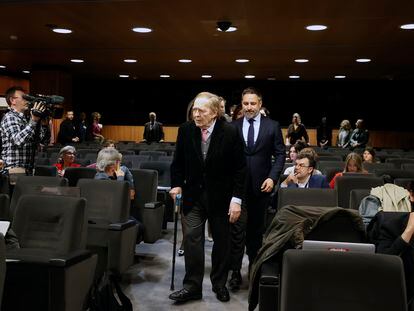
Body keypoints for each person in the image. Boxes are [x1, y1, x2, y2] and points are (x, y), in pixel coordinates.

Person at [168, 92, 246, 303]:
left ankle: (219, 284)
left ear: (214, 113)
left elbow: (240, 169)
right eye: (194, 109)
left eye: (201, 110)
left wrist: (236, 199)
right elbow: (178, 163)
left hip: (221, 198)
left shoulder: (230, 132)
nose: (196, 114)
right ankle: (192, 286)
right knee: (192, 239)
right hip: (193, 197)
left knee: (222, 243)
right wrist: (176, 184)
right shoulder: (185, 130)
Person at [231, 87, 285, 290]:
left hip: (262, 188)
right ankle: (234, 272)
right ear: (241, 105)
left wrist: (273, 178)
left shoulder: (272, 126)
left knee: (255, 233)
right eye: (245, 103)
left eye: (253, 103)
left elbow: (280, 155)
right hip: (237, 189)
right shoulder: (233, 127)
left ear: (260, 104)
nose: (249, 107)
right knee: (236, 233)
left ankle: (253, 270)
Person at [0, 86, 45, 173]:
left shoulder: (27, 118)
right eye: (24, 98)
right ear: (13, 100)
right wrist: (33, 121)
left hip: (29, 169)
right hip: (15, 169)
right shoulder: (9, 117)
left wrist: (38, 119)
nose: (27, 100)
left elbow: (39, 138)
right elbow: (18, 141)